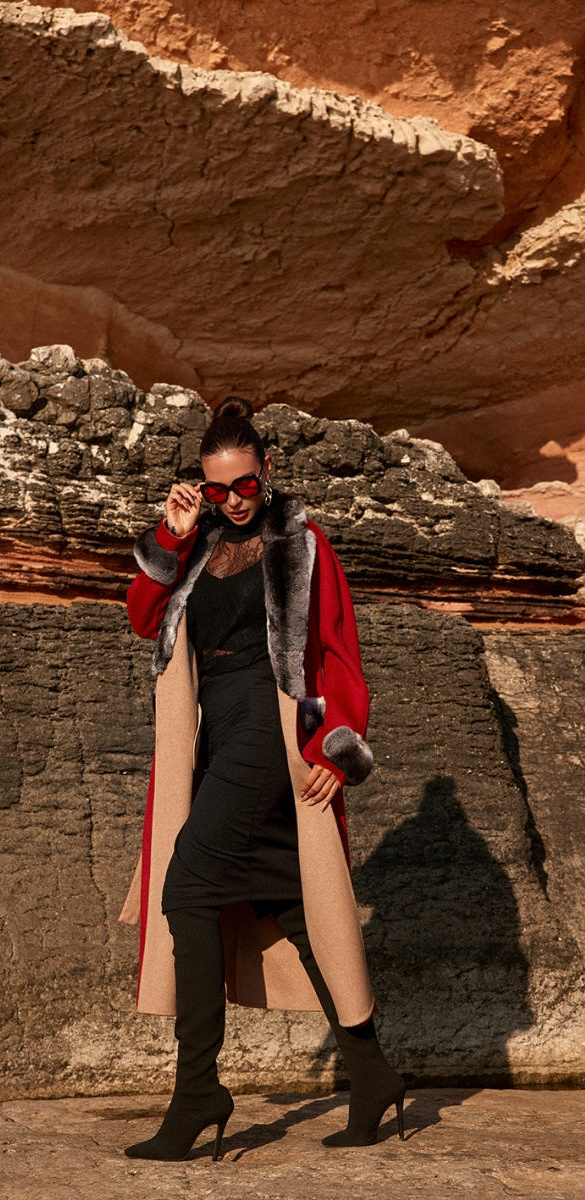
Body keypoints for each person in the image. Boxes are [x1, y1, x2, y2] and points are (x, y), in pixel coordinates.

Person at [119, 397, 404, 1161]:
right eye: (215, 491)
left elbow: (338, 652)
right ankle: (373, 1074)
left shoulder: (302, 541)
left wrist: (332, 750)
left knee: (185, 888)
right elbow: (144, 618)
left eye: (242, 486)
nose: (232, 501)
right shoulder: (198, 544)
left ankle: (197, 1094)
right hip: (216, 735)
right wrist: (168, 538)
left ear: (266, 473)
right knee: (295, 902)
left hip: (272, 730)